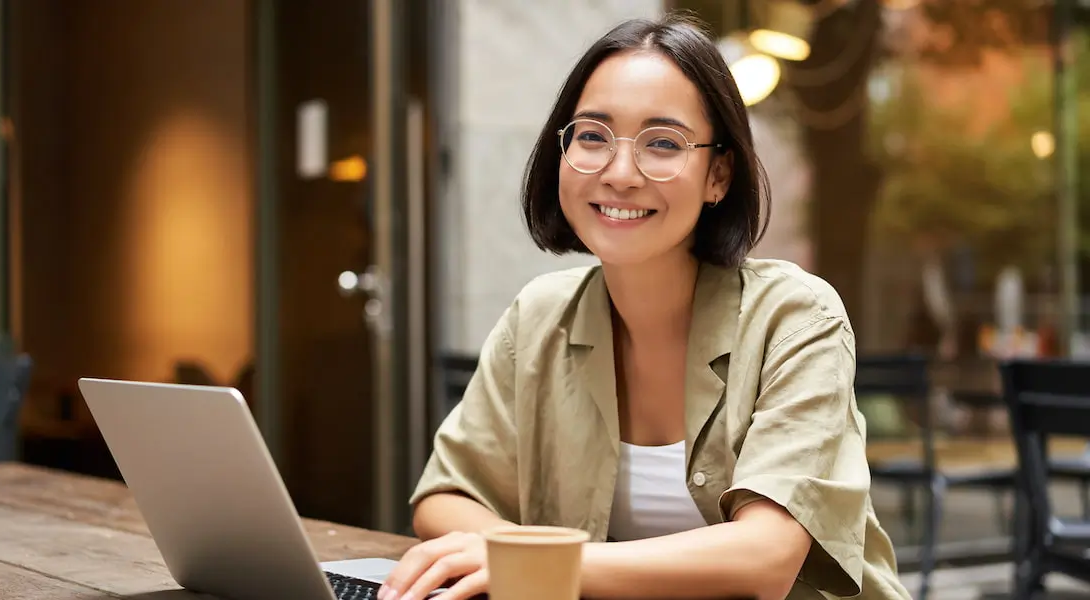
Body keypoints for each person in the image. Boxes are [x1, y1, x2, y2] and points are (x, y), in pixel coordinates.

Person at [379, 11, 911, 600]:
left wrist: (536, 564)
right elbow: (446, 496)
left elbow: (767, 555)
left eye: (662, 144)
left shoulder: (794, 316)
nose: (620, 172)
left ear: (718, 175)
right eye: (592, 136)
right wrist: (513, 557)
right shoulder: (539, 317)